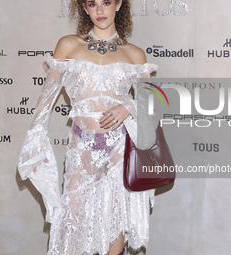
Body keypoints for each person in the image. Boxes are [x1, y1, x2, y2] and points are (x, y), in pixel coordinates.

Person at [18, 0, 159, 254]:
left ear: (118, 4)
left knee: (113, 228)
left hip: (119, 152)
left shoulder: (135, 54)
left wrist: (128, 106)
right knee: (73, 228)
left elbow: (149, 107)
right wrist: (34, 142)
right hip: (81, 152)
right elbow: (45, 103)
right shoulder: (68, 45)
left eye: (106, 2)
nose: (100, 11)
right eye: (92, 4)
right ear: (84, 8)